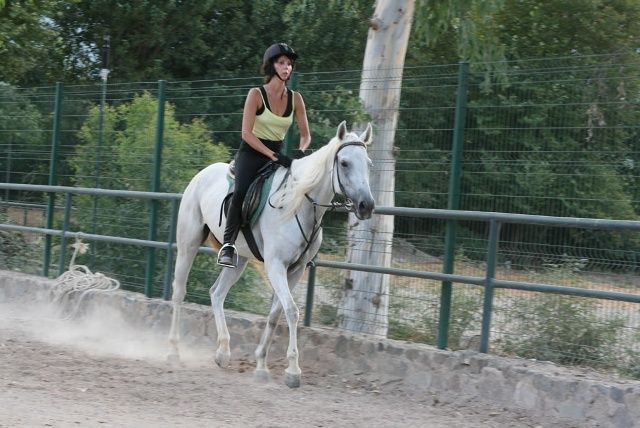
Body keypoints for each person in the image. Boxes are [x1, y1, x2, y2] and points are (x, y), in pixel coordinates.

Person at [217, 42, 311, 268]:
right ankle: (228, 245)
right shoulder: (256, 94)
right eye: (281, 63)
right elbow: (246, 134)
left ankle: (301, 246)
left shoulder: (296, 99)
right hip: (251, 153)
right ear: (271, 66)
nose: (287, 67)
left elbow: (306, 135)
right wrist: (272, 155)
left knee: (301, 190)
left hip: (277, 155)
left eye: (289, 64)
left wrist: (300, 152)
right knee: (240, 191)